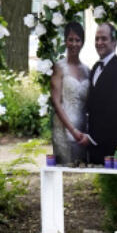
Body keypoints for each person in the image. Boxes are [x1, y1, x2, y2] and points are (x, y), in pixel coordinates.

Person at [85, 22, 117, 164]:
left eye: (104, 39)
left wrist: (94, 138)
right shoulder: (95, 67)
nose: (99, 43)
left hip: (113, 147)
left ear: (115, 42)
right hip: (95, 146)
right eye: (97, 39)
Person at [50, 21, 91, 165]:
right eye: (71, 39)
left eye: (78, 40)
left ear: (82, 42)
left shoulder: (87, 70)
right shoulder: (59, 67)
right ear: (65, 41)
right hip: (63, 129)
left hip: (82, 132)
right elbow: (56, 102)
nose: (74, 44)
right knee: (65, 170)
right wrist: (72, 130)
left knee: (82, 172)